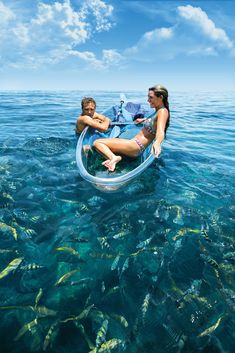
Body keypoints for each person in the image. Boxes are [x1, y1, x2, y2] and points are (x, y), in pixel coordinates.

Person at [93, 85, 170, 172]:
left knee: (98, 143)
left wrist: (157, 143)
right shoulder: (158, 111)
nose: (148, 100)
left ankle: (114, 158)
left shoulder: (163, 111)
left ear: (160, 97)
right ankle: (113, 158)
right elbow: (154, 122)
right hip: (136, 146)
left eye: (151, 97)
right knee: (106, 146)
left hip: (135, 146)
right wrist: (144, 120)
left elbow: (160, 131)